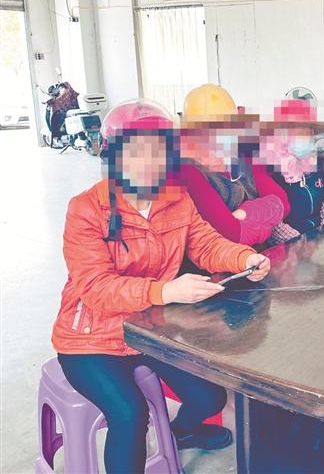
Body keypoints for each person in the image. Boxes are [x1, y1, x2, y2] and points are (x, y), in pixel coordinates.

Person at [51, 99, 271, 474]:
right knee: (129, 415)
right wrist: (165, 291)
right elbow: (95, 288)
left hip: (151, 329)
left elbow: (206, 244)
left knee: (211, 397)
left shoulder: (176, 198)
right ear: (113, 155)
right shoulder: (86, 209)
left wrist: (243, 258)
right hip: (91, 340)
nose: (149, 162)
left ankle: (182, 431)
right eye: (136, 151)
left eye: (159, 150)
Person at [177, 84, 289, 246]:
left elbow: (283, 204)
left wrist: (245, 212)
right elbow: (230, 234)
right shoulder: (190, 172)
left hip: (262, 253)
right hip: (227, 258)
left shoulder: (243, 155)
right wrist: (268, 225)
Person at [257, 98, 324, 242]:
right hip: (291, 246)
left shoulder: (315, 162)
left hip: (320, 238)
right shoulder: (270, 169)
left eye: (308, 132)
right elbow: (275, 224)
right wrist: (299, 243)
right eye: (299, 132)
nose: (306, 137)